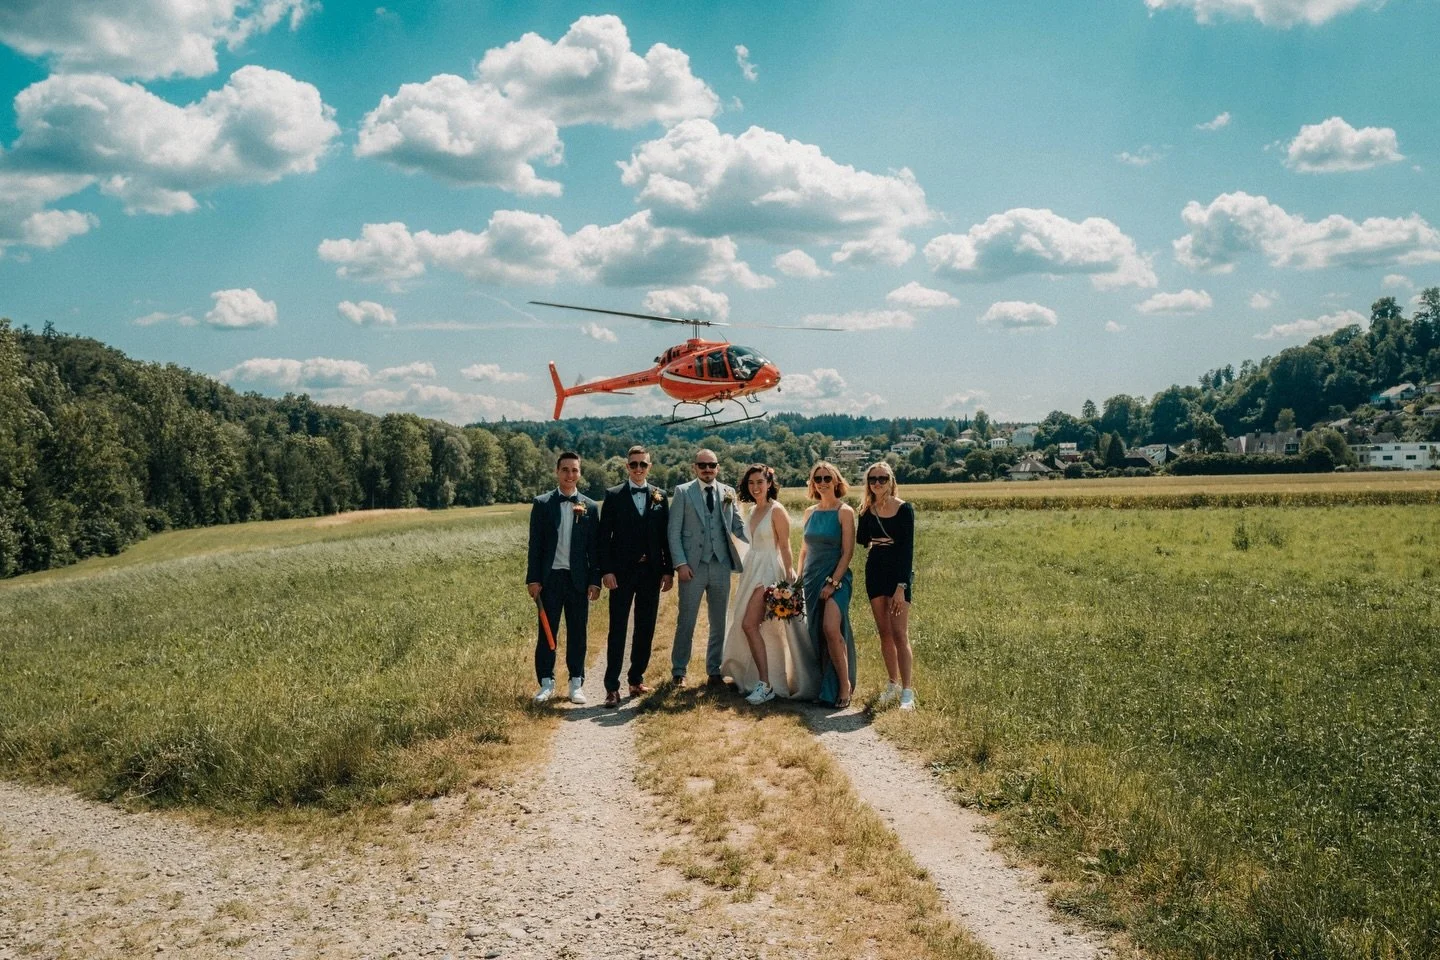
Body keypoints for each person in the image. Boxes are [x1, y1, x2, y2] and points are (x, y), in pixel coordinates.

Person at [719, 464, 819, 704]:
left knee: (749, 624)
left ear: (770, 484)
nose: (755, 487)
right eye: (751, 483)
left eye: (760, 482)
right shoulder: (753, 510)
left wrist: (788, 581)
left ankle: (765, 685)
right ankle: (762, 679)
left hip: (769, 573)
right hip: (752, 570)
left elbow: (785, 547)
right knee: (753, 626)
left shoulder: (777, 510)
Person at [598, 445, 674, 708]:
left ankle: (636, 678)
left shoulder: (660, 496)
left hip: (651, 572)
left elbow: (666, 537)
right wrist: (605, 570)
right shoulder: (614, 495)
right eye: (634, 464)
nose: (639, 469)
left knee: (645, 626)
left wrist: (667, 570)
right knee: (617, 629)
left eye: (643, 464)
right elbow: (603, 538)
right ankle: (611, 687)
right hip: (621, 573)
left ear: (650, 466)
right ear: (626, 467)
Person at [667, 448, 748, 687]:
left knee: (719, 621)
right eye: (702, 465)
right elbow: (673, 532)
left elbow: (738, 525)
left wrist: (762, 537)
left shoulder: (728, 492)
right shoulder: (683, 492)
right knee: (687, 621)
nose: (707, 469)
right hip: (692, 566)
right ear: (695, 467)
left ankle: (714, 670)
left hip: (721, 564)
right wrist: (680, 564)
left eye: (711, 465)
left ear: (718, 467)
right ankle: (679, 670)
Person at [525, 451, 601, 705]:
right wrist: (533, 579)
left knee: (578, 632)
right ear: (557, 472)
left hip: (578, 580)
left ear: (580, 474)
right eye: (565, 470)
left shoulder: (590, 507)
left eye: (574, 470)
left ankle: (576, 682)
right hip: (550, 580)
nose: (570, 475)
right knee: (548, 632)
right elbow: (535, 545)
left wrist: (594, 580)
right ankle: (546, 682)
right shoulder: (542, 504)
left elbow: (595, 549)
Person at [856, 462, 916, 710]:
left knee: (900, 634)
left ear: (891, 481)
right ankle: (892, 684)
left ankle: (908, 691)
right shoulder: (867, 510)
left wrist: (901, 587)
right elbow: (862, 540)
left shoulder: (904, 509)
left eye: (882, 479)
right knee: (884, 633)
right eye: (872, 479)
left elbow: (907, 550)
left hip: (897, 573)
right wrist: (862, 511)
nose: (877, 483)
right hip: (875, 570)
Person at [798, 461, 857, 708]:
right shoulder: (810, 512)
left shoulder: (845, 512)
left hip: (837, 578)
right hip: (811, 580)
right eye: (817, 479)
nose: (822, 483)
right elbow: (804, 550)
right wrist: (796, 582)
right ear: (813, 483)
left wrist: (833, 583)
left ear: (836, 481)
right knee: (816, 635)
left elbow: (847, 552)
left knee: (832, 629)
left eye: (826, 478)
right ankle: (825, 688)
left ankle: (844, 686)